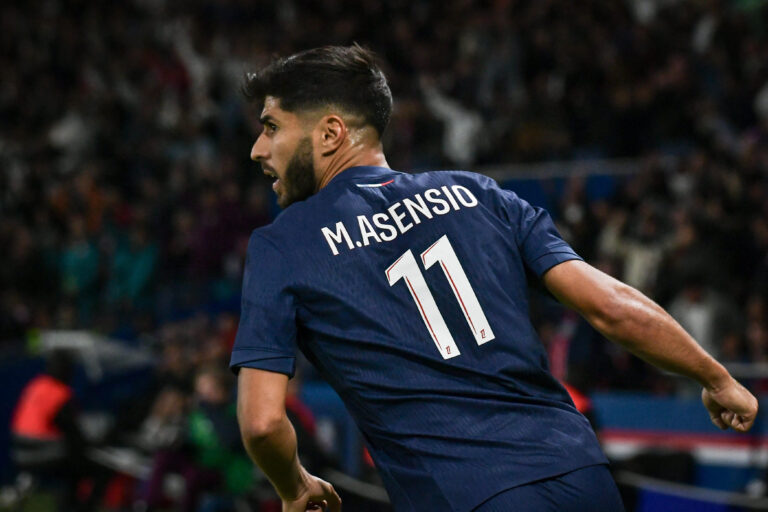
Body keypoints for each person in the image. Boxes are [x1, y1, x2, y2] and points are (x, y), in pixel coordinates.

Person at [229, 45, 758, 512]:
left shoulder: (283, 244)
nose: (258, 148)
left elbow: (261, 422)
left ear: (329, 133)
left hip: (461, 493)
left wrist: (294, 485)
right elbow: (612, 306)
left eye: (271, 126)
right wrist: (716, 377)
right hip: (581, 476)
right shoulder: (480, 193)